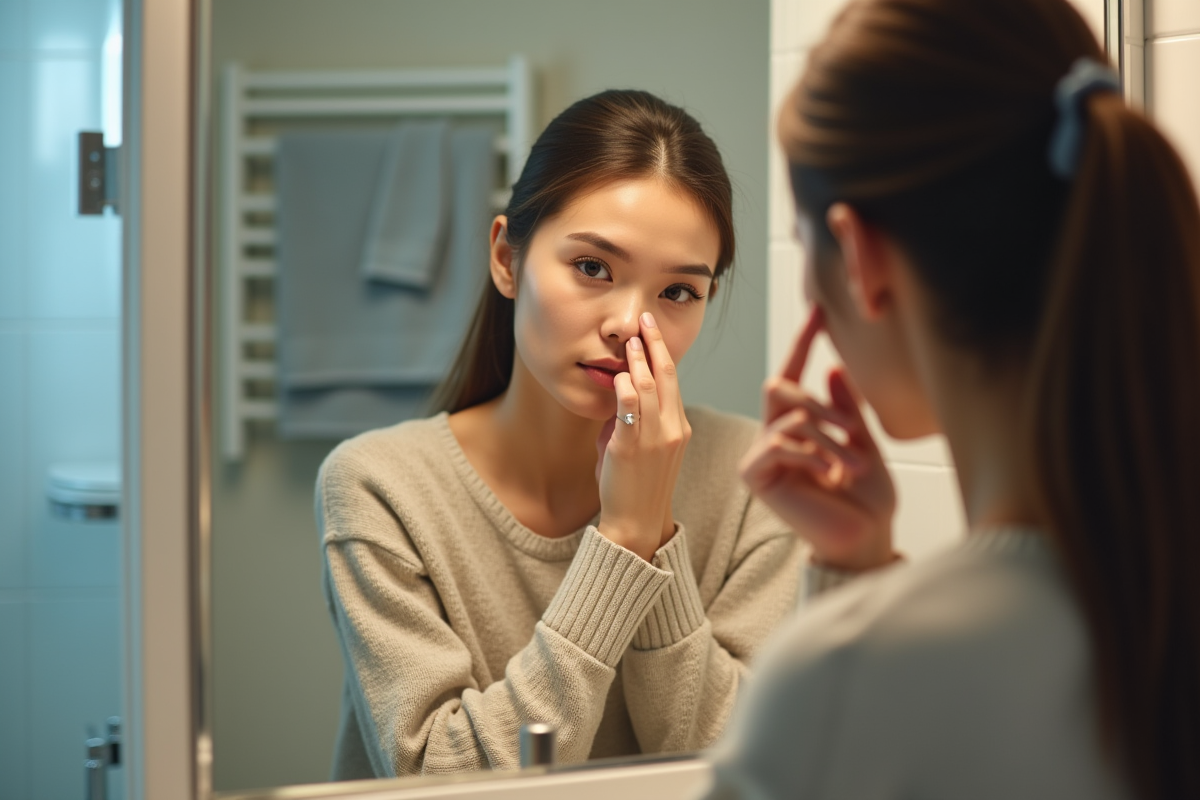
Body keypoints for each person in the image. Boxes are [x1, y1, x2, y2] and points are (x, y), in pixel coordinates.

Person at [704, 0, 1200, 798]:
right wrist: (860, 574)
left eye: (806, 248)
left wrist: (854, 625)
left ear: (862, 257)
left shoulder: (840, 689)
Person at [317, 90, 885, 778]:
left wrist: (655, 535)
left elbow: (747, 768)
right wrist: (623, 538)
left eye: (677, 292)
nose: (628, 323)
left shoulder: (755, 481)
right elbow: (444, 777)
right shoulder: (381, 487)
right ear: (506, 258)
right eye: (592, 268)